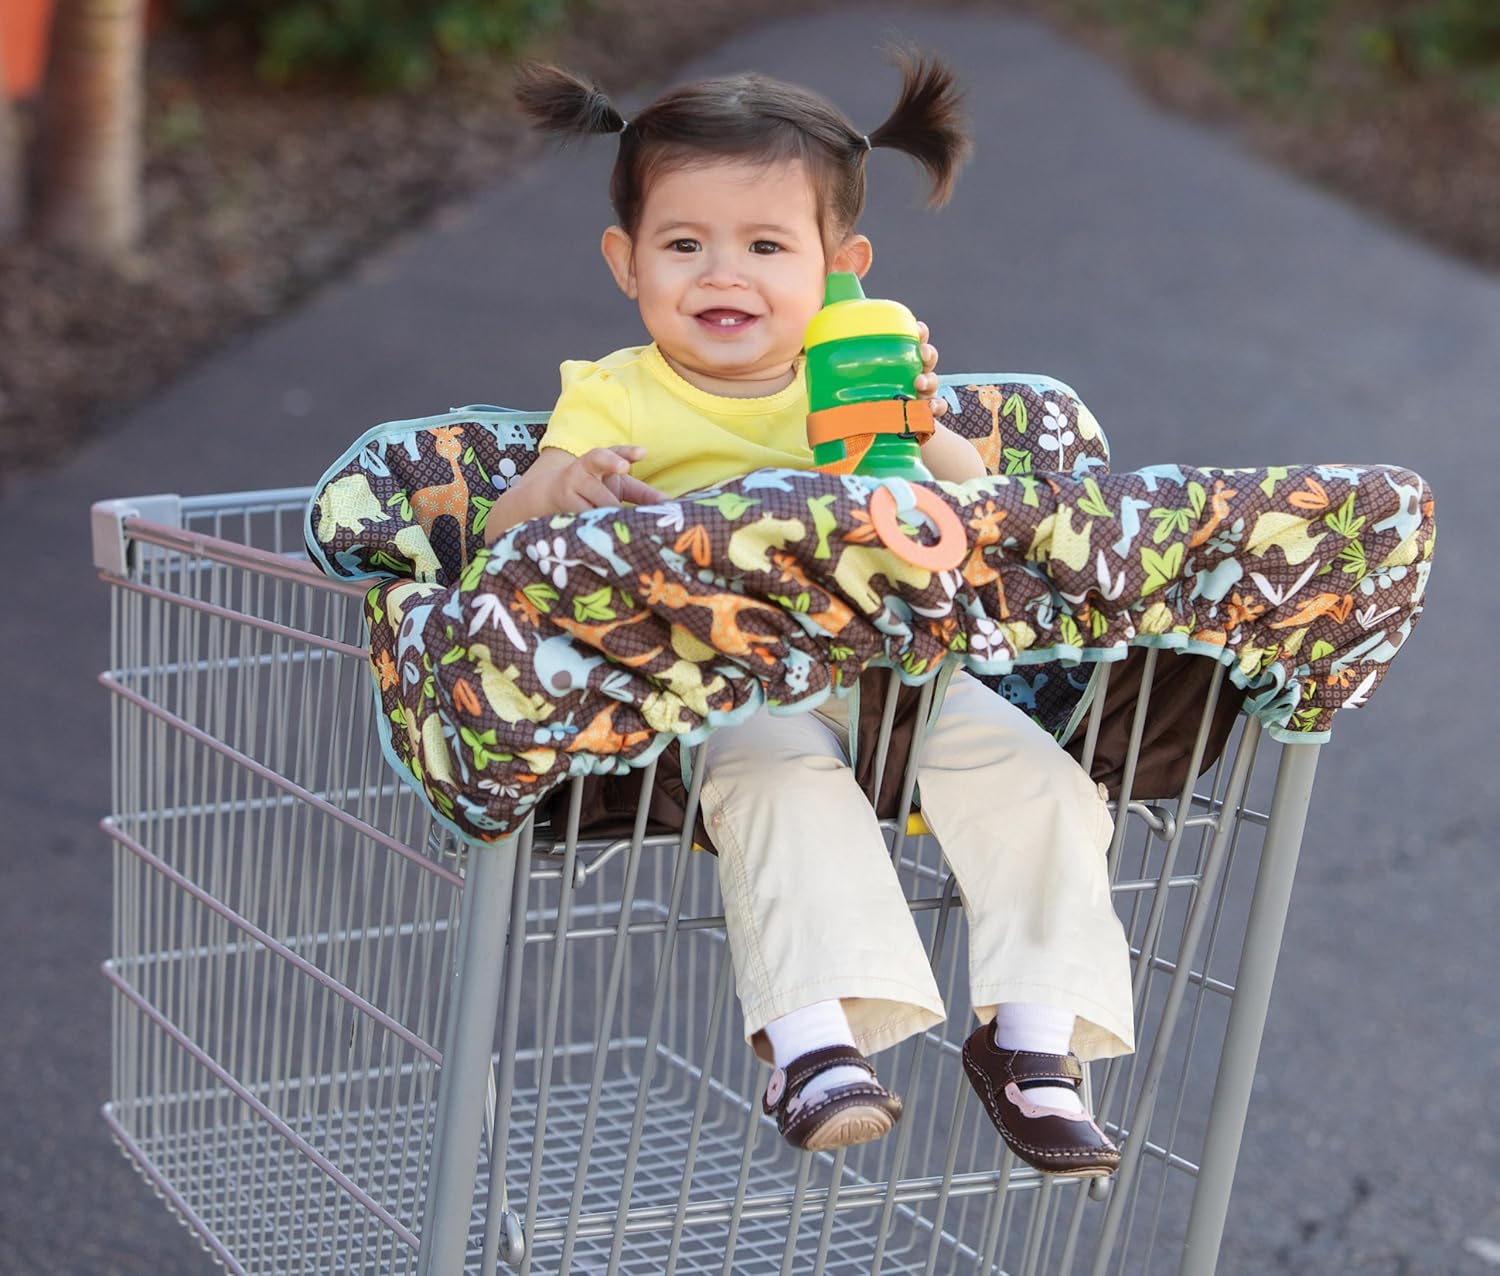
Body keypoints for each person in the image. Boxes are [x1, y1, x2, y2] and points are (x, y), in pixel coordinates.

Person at [483, 53, 1134, 1178]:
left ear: (843, 269)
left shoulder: (851, 376)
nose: (720, 273)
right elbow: (503, 528)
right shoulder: (616, 391)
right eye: (684, 244)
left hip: (898, 670)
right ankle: (811, 1040)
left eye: (767, 247)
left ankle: (1032, 1039)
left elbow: (976, 502)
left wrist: (922, 425)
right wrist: (566, 486)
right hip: (723, 675)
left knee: (1046, 785)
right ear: (625, 261)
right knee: (777, 784)